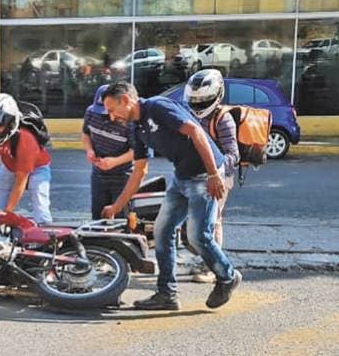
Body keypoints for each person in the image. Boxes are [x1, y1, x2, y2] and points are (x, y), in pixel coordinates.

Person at [99, 81, 241, 311]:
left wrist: (215, 174)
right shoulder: (137, 128)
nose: (111, 116)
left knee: (198, 236)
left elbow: (195, 131)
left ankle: (228, 277)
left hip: (205, 175)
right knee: (161, 231)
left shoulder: (157, 107)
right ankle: (167, 294)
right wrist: (117, 206)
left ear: (125, 100)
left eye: (112, 109)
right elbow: (139, 171)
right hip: (182, 177)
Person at [184, 69, 239, 283]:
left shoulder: (223, 119)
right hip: (194, 176)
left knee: (212, 222)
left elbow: (233, 155)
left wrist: (213, 172)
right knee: (193, 223)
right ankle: (204, 259)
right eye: (194, 100)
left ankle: (212, 267)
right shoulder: (189, 114)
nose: (198, 105)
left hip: (219, 178)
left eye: (204, 100)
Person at [0, 94, 53, 225]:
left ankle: (47, 235)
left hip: (37, 168)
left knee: (40, 202)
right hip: (10, 166)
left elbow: (20, 182)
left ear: (10, 123)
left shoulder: (26, 139)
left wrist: (7, 214)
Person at [83, 84, 136, 220]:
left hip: (123, 176)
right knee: (98, 216)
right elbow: (86, 134)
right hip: (98, 174)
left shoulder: (128, 122)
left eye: (111, 110)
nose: (109, 117)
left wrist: (115, 162)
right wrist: (89, 150)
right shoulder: (91, 113)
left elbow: (137, 152)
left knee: (120, 218)